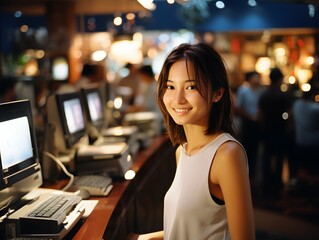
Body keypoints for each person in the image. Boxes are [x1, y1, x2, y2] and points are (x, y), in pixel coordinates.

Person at [137, 43, 255, 239]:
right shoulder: (182, 151)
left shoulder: (226, 154)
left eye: (191, 87)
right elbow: (194, 228)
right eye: (170, 86)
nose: (178, 98)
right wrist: (147, 237)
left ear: (217, 93)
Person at [258, 67, 295, 194]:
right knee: (279, 158)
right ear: (280, 79)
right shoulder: (283, 95)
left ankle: (266, 184)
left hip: (266, 130)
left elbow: (260, 114)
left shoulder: (264, 95)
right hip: (280, 130)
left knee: (266, 158)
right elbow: (289, 113)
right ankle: (277, 185)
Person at [235, 71, 264, 180]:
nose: (257, 79)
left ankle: (253, 175)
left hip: (258, 122)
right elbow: (238, 107)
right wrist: (250, 116)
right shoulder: (243, 90)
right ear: (250, 79)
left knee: (256, 150)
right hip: (247, 122)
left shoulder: (261, 91)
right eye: (255, 77)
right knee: (246, 148)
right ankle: (245, 175)